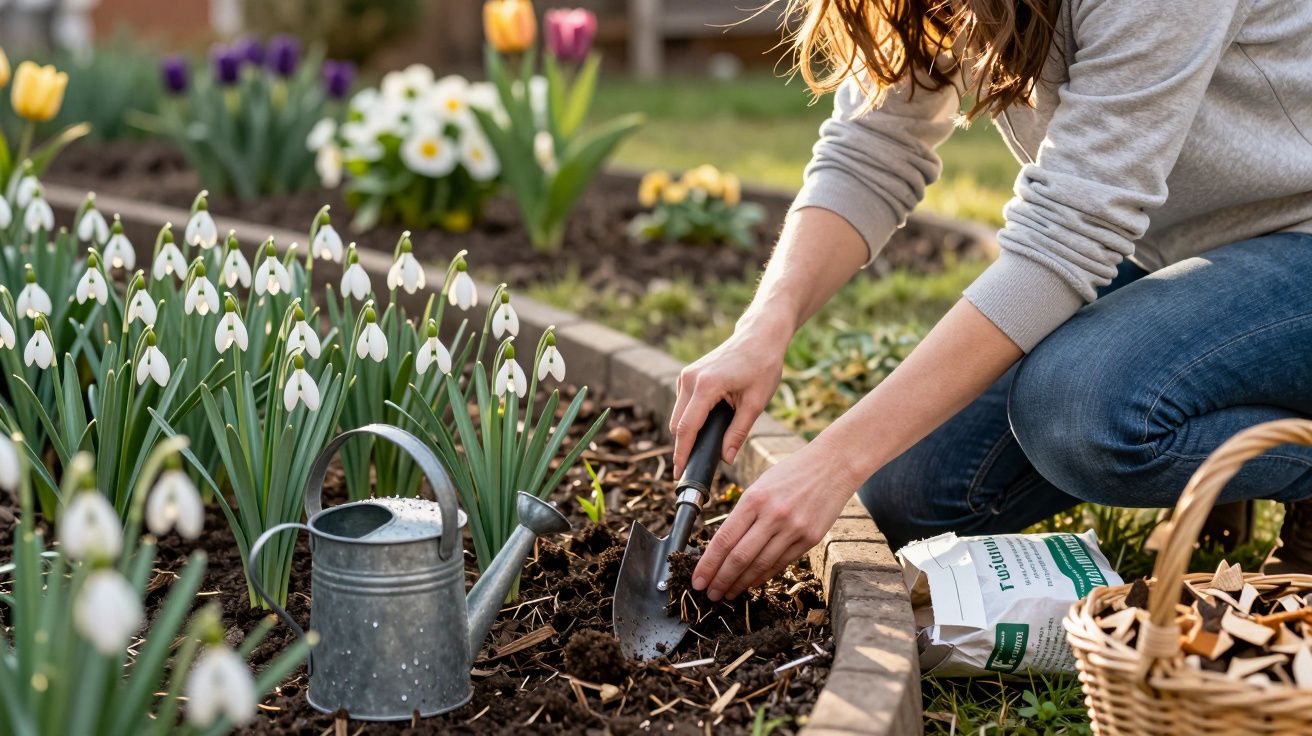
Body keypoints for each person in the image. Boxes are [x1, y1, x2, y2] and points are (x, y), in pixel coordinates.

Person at [671, 0, 1312, 603]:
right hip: (1180, 248)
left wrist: (832, 459)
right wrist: (764, 325)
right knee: (908, 493)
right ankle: (1227, 408)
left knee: (1079, 409)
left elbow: (1068, 232)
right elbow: (873, 147)